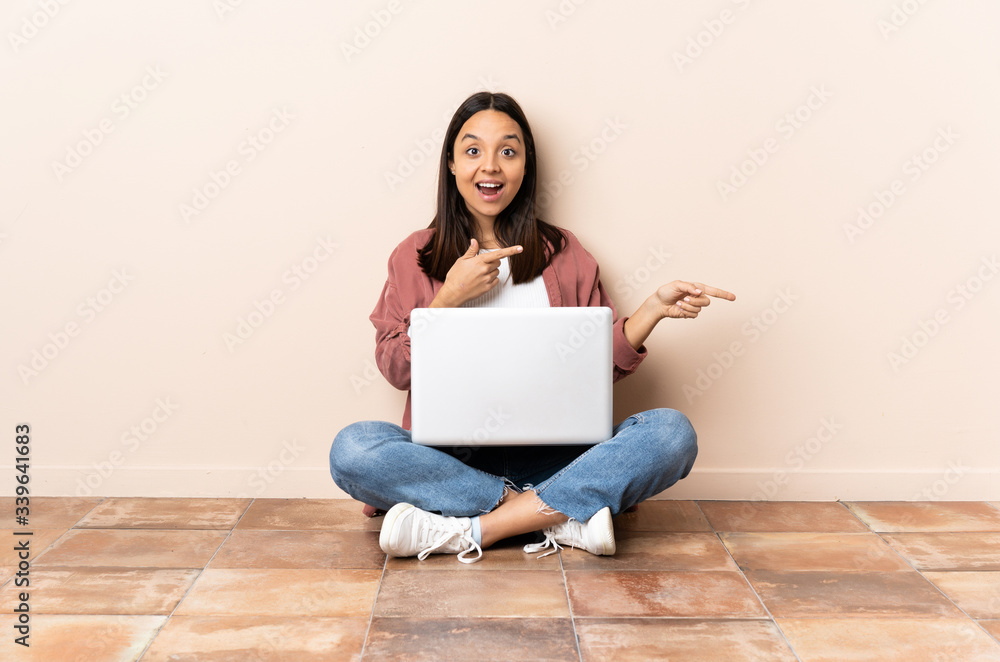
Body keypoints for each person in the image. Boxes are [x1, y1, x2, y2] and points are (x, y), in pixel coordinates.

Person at [330, 91, 735, 564]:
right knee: (353, 449)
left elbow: (593, 369)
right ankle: (558, 515)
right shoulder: (414, 256)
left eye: (508, 150)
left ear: (525, 166)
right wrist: (448, 300)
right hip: (452, 459)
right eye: (473, 150)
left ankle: (471, 529)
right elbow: (396, 369)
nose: (491, 166)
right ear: (452, 164)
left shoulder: (564, 251)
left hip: (557, 455)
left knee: (671, 434)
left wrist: (650, 312)